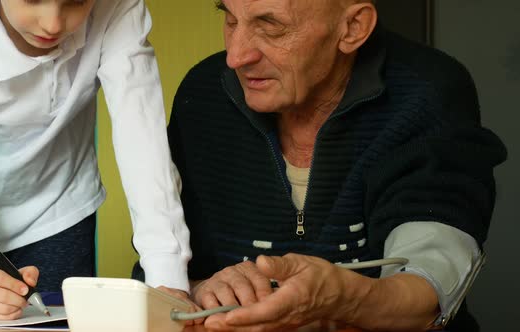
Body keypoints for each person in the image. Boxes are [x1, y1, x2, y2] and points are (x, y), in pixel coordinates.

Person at [165, 0, 507, 331]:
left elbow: (429, 290)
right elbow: (159, 275)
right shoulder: (203, 95)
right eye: (230, 19)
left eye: (271, 27)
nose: (236, 56)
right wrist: (198, 291)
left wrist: (342, 300)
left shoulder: (428, 92)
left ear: (352, 28)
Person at [0, 0, 192, 319]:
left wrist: (168, 277)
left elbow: (143, 141)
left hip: (59, 211)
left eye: (77, 1)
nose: (53, 24)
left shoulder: (118, 7)